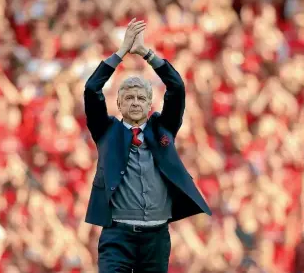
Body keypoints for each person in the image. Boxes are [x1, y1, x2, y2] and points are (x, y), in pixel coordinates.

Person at [83, 18, 212, 273]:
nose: (135, 102)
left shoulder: (163, 129)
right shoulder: (107, 132)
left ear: (150, 104)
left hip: (156, 237)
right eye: (128, 97)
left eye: (141, 97)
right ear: (118, 103)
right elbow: (91, 88)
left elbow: (176, 87)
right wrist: (121, 53)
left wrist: (145, 53)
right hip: (117, 235)